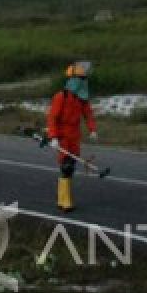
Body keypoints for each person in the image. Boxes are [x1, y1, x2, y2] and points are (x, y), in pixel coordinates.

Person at [45, 61, 97, 212]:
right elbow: (52, 118)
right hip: (63, 136)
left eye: (84, 79)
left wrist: (92, 129)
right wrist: (53, 136)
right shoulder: (60, 97)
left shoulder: (81, 99)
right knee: (66, 167)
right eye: (80, 79)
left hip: (75, 135)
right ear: (73, 79)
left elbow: (88, 115)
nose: (83, 82)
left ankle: (62, 200)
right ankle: (65, 201)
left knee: (71, 167)